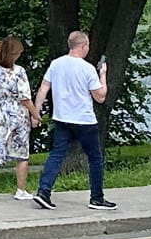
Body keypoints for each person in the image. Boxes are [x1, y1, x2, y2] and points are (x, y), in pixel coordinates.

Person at [30, 30, 114, 210]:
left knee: (56, 155)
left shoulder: (56, 64)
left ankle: (44, 191)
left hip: (62, 119)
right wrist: (103, 75)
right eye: (88, 45)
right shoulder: (87, 68)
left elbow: (43, 88)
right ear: (83, 46)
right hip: (84, 120)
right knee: (95, 158)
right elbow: (100, 97)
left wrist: (36, 113)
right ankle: (97, 198)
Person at [0, 36, 41, 202]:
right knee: (22, 153)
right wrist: (35, 114)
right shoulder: (18, 72)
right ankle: (21, 190)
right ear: (13, 54)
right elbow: (25, 98)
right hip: (16, 114)